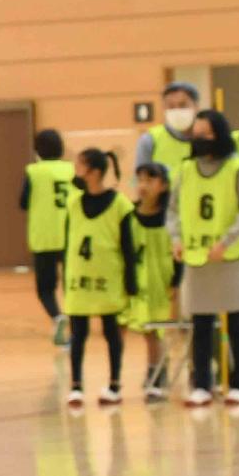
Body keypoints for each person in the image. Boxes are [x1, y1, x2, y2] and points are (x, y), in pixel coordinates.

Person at [169, 108, 239, 407]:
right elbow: (172, 211)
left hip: (230, 257)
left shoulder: (238, 169)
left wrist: (227, 240)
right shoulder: (185, 170)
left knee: (238, 323)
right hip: (197, 257)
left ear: (219, 135)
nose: (199, 140)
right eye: (195, 135)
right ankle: (202, 385)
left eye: (204, 134)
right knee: (202, 324)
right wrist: (176, 238)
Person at [60, 149, 137, 407]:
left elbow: (129, 247)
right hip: (79, 278)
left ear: (93, 172)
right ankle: (76, 385)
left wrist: (131, 281)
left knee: (111, 332)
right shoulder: (73, 203)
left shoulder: (120, 204)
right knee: (78, 332)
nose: (75, 171)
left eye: (79, 166)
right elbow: (68, 242)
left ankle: (114, 384)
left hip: (108, 278)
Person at [123, 162, 178, 404]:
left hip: (162, 281)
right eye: (140, 180)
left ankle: (157, 372)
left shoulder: (170, 218)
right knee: (139, 329)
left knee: (155, 330)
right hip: (137, 280)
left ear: (163, 185)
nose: (143, 185)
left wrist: (177, 281)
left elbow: (179, 252)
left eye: (150, 180)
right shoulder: (129, 216)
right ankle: (123, 378)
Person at [22, 128, 76, 346]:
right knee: (71, 284)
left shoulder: (33, 172)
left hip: (43, 235)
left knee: (45, 287)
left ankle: (57, 316)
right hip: (70, 233)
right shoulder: (71, 169)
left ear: (37, 150)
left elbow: (23, 202)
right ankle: (74, 322)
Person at [138, 81, 200, 179]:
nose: (177, 110)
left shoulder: (209, 138)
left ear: (196, 106)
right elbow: (140, 182)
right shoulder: (150, 140)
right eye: (171, 106)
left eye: (183, 105)